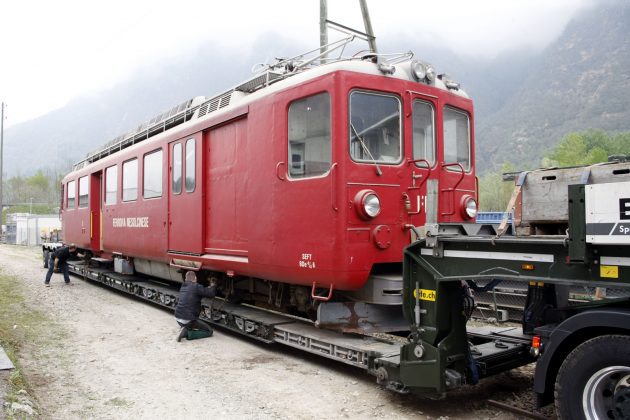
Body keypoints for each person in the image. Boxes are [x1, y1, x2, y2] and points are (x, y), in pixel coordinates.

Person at [175, 271, 217, 342]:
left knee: (190, 322)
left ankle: (185, 328)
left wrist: (207, 288)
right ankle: (187, 333)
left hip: (178, 319)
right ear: (195, 278)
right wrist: (213, 285)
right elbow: (211, 294)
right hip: (188, 320)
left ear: (185, 279)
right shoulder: (197, 287)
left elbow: (198, 291)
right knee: (209, 331)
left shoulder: (183, 286)